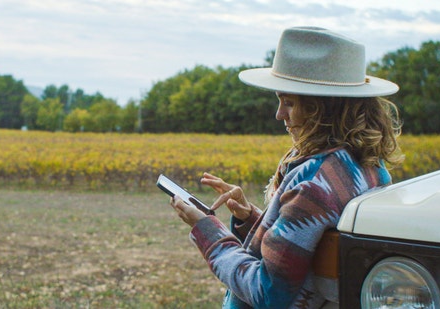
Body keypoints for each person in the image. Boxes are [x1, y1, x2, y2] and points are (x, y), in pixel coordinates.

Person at [169, 26, 404, 308]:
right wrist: (251, 217)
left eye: (289, 102)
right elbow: (303, 252)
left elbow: (268, 293)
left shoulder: (314, 182)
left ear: (323, 108)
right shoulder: (369, 166)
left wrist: (208, 229)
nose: (279, 114)